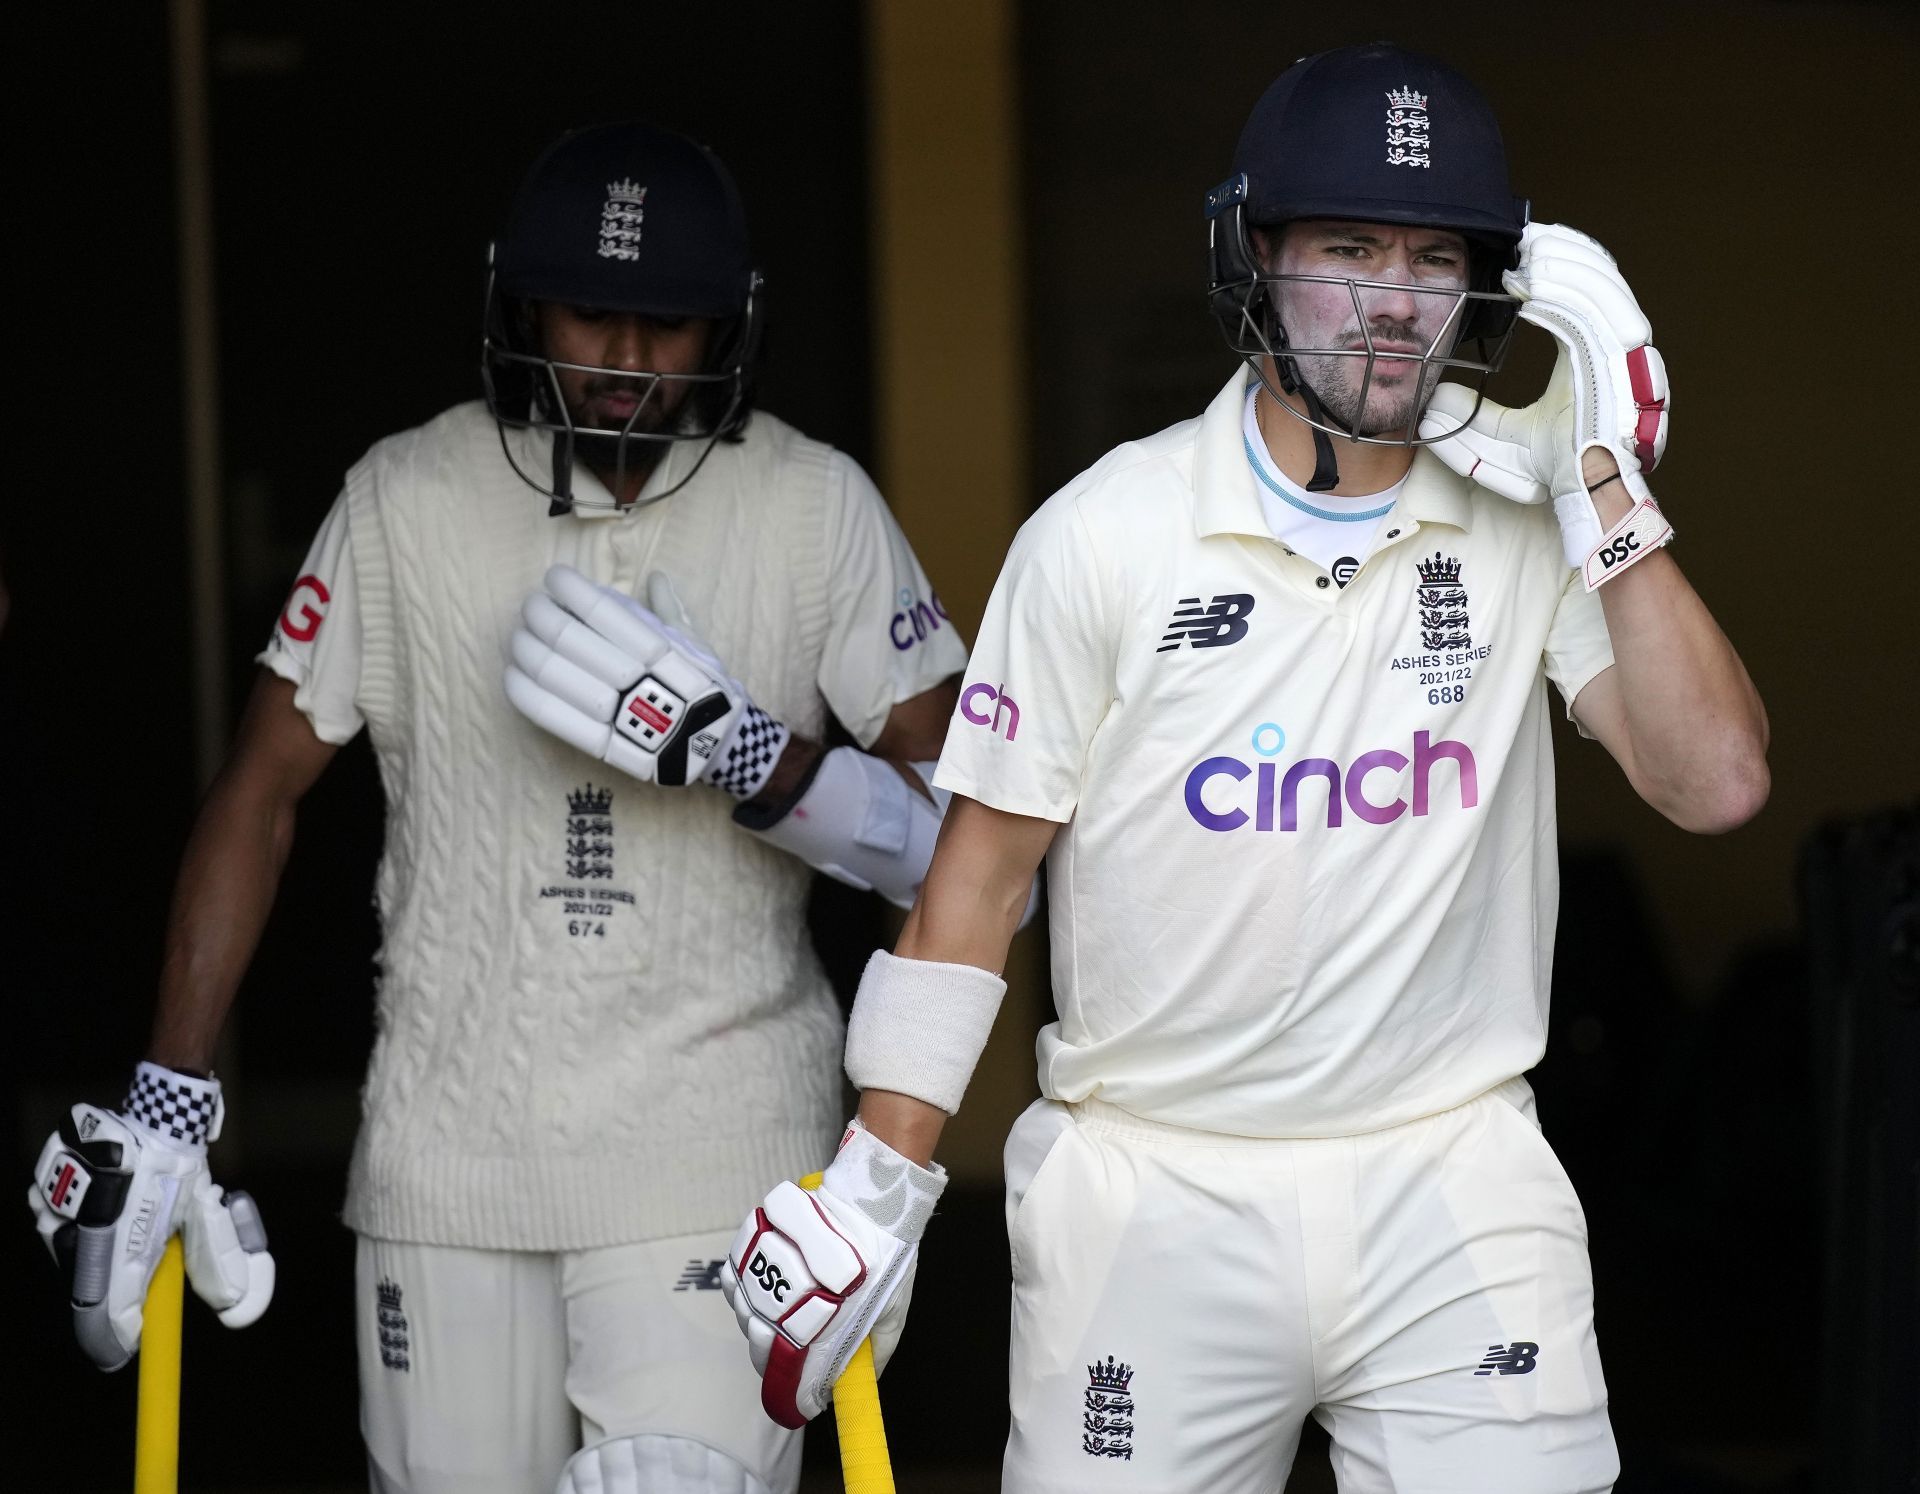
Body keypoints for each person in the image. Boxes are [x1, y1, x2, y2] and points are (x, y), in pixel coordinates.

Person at [722, 44, 1770, 1492]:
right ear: (1257, 258)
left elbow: (1713, 780)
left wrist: (1607, 483)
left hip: (1451, 1172)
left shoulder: (1531, 514)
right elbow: (974, 887)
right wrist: (881, 1184)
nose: (1397, 300)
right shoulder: (1106, 535)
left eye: (1434, 256)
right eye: (1350, 248)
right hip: (1158, 1187)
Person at [29, 121, 977, 1494]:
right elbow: (261, 790)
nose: (631, 360)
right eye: (598, 312)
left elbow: (956, 835)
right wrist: (175, 1088)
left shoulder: (812, 505)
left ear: (728, 330)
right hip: (445, 1166)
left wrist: (762, 760)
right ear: (524, 302)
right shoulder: (405, 496)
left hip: (718, 1158)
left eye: (671, 325)